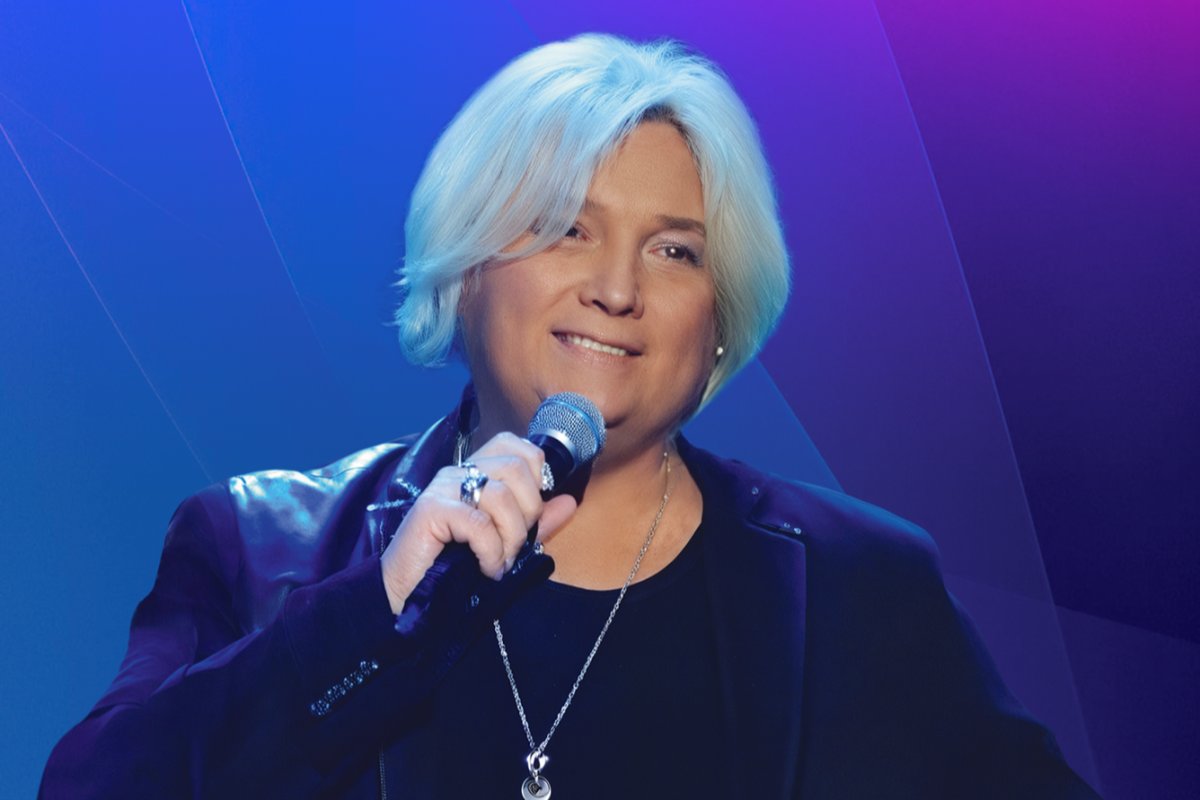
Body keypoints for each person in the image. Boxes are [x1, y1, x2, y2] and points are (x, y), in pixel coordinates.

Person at [40, 34, 1100, 799]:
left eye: (675, 250)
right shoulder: (257, 544)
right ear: (465, 271)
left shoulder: (860, 584)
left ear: (719, 321)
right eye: (565, 228)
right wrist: (374, 611)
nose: (618, 288)